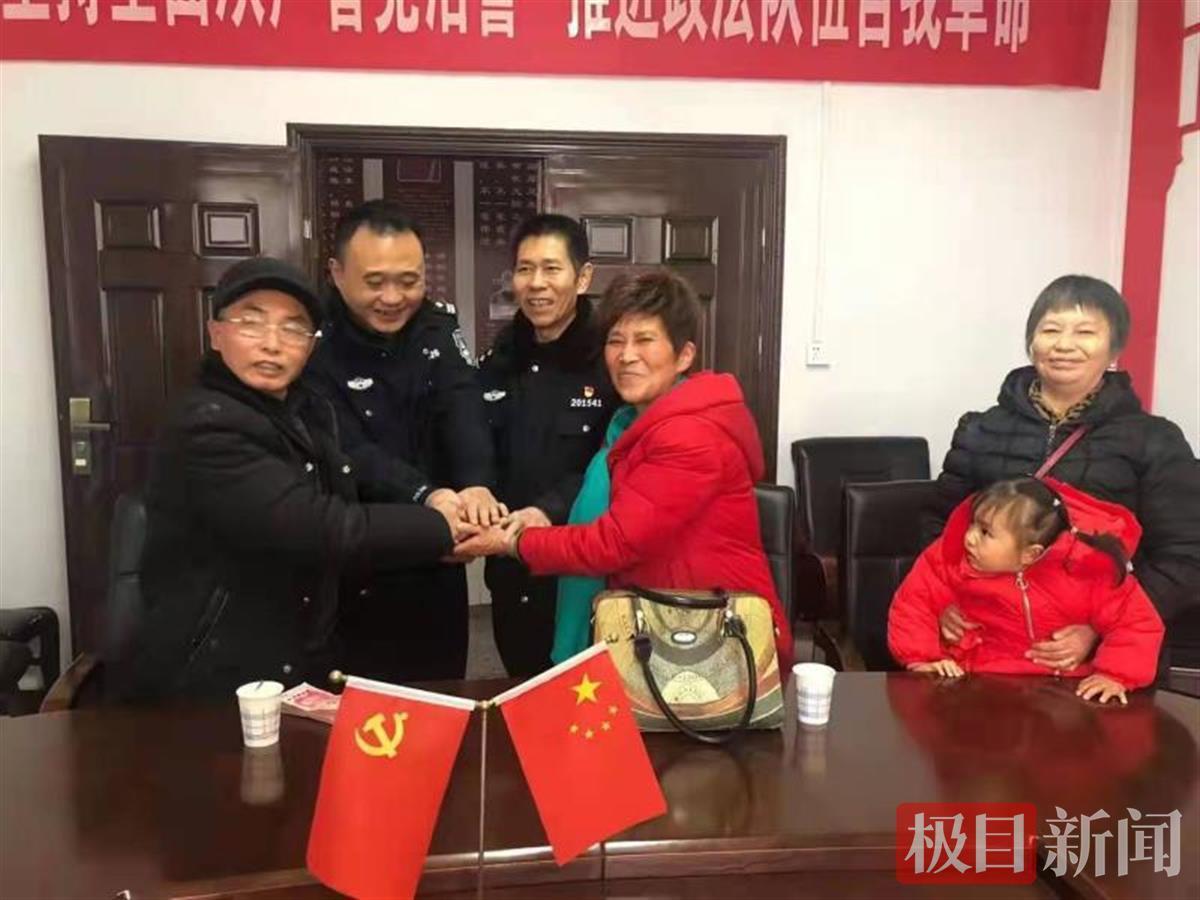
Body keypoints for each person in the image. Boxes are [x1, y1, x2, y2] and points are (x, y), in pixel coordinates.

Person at [113, 258, 464, 703]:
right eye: (251, 323)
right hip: (215, 675)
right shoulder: (206, 424)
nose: (272, 344)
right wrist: (444, 528)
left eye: (293, 328)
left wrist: (432, 495)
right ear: (216, 333)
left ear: (311, 345)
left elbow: (352, 475)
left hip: (292, 654)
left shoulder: (305, 410)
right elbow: (317, 525)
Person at [458, 270, 794, 672]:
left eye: (645, 340)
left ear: (684, 355)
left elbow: (613, 543)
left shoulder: (690, 434)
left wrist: (512, 541)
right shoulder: (627, 424)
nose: (626, 355)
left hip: (711, 643)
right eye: (616, 340)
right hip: (656, 627)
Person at [927, 275, 1200, 672]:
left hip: (1104, 665)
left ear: (1114, 349)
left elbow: (1185, 556)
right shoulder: (981, 429)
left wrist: (1101, 629)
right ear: (1031, 342)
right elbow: (939, 526)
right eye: (1051, 329)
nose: (1064, 345)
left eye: (1085, 332)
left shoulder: (1154, 439)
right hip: (986, 646)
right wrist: (942, 601)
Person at [306, 201, 502, 682]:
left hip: (439, 551)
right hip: (358, 553)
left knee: (440, 694)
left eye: (409, 281)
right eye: (375, 282)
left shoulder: (437, 326)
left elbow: (464, 406)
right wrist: (426, 494)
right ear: (337, 273)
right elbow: (343, 444)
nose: (393, 297)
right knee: (355, 704)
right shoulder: (314, 343)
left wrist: (476, 484)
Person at [478, 214, 618, 676]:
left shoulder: (610, 360)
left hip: (583, 569)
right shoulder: (499, 359)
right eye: (524, 269)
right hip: (510, 565)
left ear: (583, 277)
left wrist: (548, 509)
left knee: (587, 696)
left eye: (551, 268)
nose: (536, 283)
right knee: (520, 686)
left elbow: (615, 459)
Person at [891, 477, 1164, 704]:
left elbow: (1136, 622)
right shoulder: (950, 556)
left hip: (1063, 692)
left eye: (985, 532)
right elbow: (914, 602)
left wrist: (1115, 675)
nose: (969, 537)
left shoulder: (1087, 570)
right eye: (973, 523)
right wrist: (922, 659)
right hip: (975, 683)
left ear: (1029, 554)